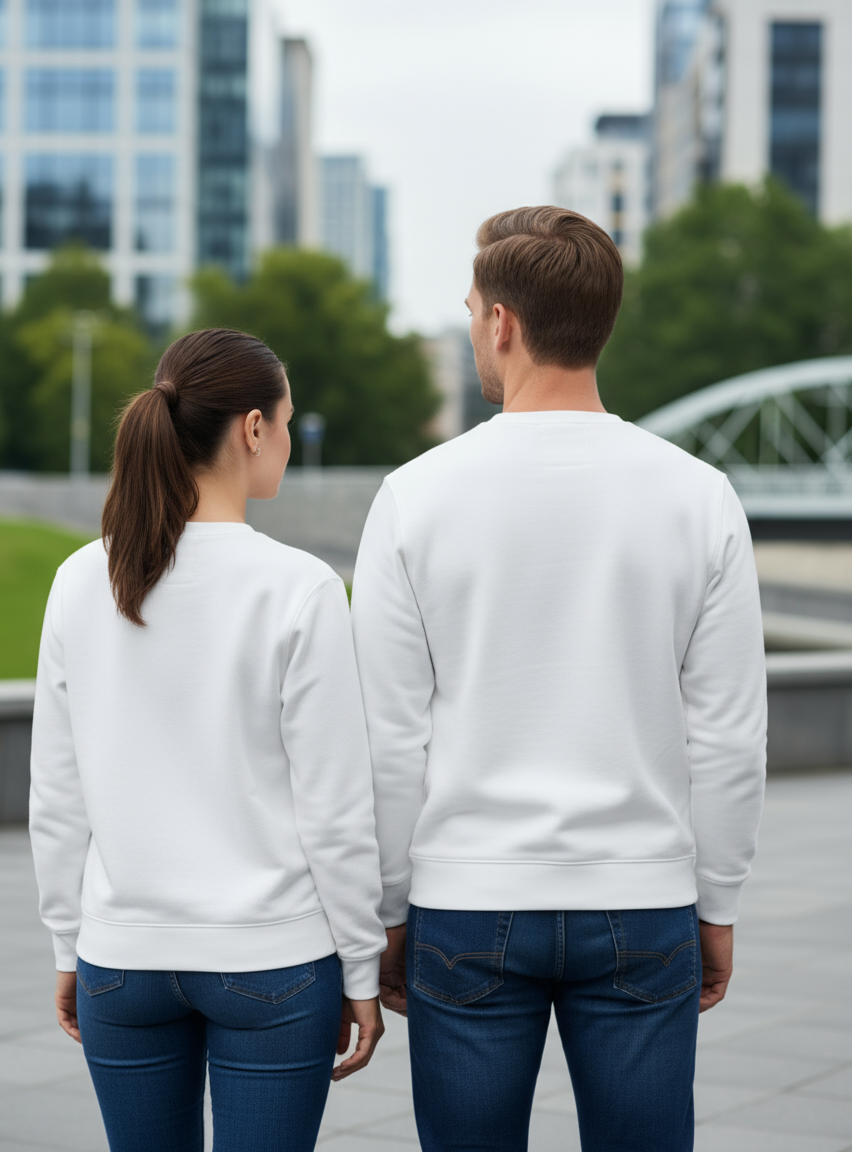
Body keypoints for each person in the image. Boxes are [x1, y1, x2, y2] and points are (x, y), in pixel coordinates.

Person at [351, 208, 767, 1152]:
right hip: (642, 892)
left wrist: (382, 912)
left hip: (466, 896)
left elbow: (388, 737)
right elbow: (730, 735)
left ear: (503, 324)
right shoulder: (700, 495)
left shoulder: (415, 495)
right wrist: (718, 901)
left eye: (469, 312)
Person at [29, 327, 386, 1152]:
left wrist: (67, 942)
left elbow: (57, 792)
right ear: (252, 429)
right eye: (288, 421)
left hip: (122, 957)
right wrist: (361, 969)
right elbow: (335, 806)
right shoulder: (300, 588)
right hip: (272, 960)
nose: (289, 441)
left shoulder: (82, 578)